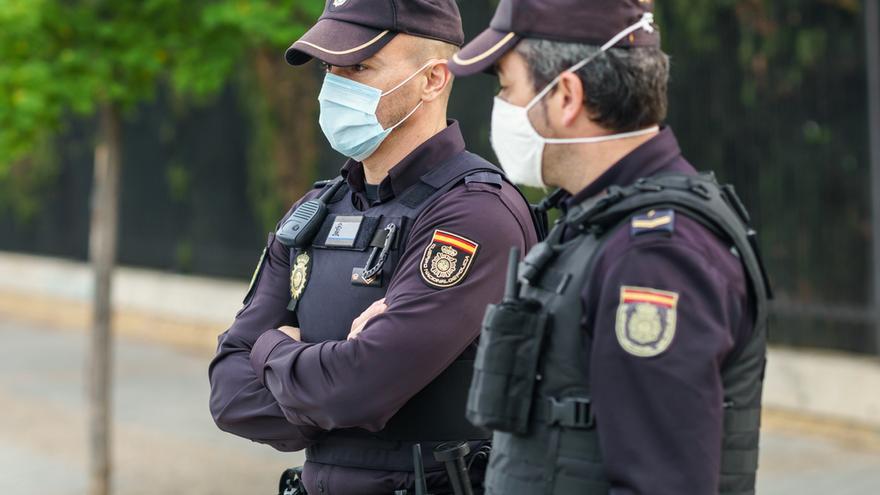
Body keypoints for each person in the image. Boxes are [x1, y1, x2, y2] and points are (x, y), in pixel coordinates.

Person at [208, 0, 538, 494]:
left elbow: (358, 392)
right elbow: (228, 395)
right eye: (329, 67)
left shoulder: (473, 214)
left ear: (433, 79)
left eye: (359, 66)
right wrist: (329, 382)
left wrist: (272, 349)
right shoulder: (316, 211)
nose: (336, 83)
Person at [443, 1, 773, 494]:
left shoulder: (658, 257)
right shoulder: (598, 222)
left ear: (567, 96)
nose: (501, 104)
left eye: (507, 86)